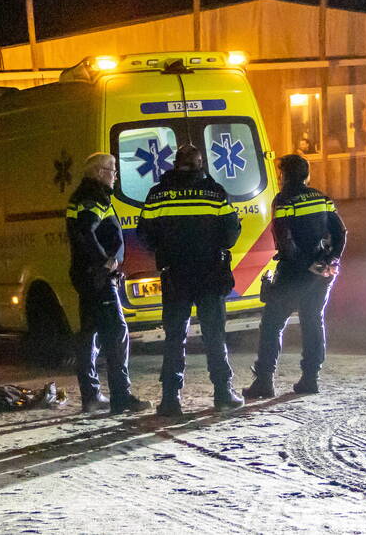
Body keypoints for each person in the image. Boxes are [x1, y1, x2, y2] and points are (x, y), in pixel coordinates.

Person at [137, 144, 244, 416]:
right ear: (200, 164)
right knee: (214, 335)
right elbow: (232, 233)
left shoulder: (158, 194)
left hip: (175, 275)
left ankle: (170, 399)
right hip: (210, 274)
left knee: (175, 336)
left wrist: (166, 248)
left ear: (176, 164)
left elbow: (145, 234)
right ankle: (222, 393)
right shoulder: (215, 193)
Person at [243, 153, 347, 398]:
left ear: (284, 175)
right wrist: (329, 259)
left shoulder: (284, 200)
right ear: (306, 175)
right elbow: (341, 232)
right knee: (313, 321)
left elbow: (284, 238)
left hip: (293, 272)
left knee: (272, 323)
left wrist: (303, 266)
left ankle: (264, 381)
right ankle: (310, 379)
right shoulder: (322, 197)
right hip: (322, 272)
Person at [66, 152, 149, 415]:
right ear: (100, 172)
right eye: (113, 170)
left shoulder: (83, 196)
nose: (115, 175)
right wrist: (105, 261)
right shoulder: (93, 198)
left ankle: (91, 396)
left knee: (89, 334)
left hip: (88, 275)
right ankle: (121, 398)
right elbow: (85, 231)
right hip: (98, 278)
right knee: (116, 334)